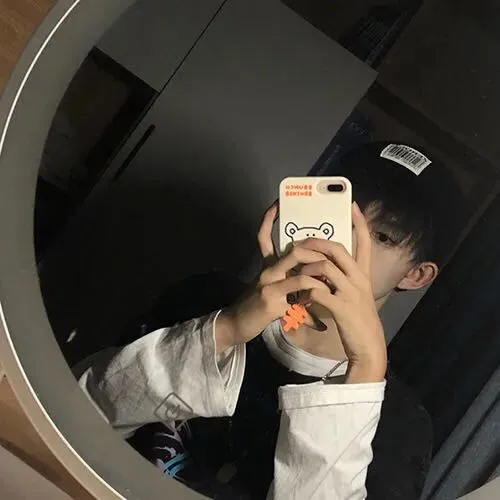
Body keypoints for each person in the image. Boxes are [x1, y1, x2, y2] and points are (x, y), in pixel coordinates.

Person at [75, 141, 465, 499]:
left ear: (416, 275)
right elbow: (79, 412)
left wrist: (364, 373)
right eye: (339, 216)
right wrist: (225, 329)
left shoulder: (400, 427)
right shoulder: (207, 296)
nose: (342, 244)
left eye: (382, 237)